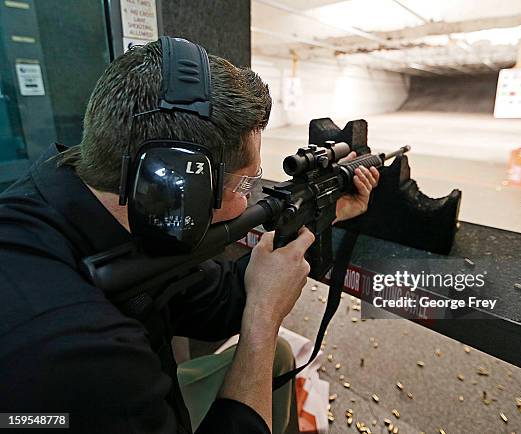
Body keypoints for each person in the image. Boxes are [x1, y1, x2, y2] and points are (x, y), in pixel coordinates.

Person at [0, 39, 379, 433]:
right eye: (245, 182)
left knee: (282, 355)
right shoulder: (77, 355)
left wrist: (320, 214)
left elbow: (206, 300)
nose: (249, 198)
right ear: (180, 186)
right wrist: (264, 322)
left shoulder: (69, 204)